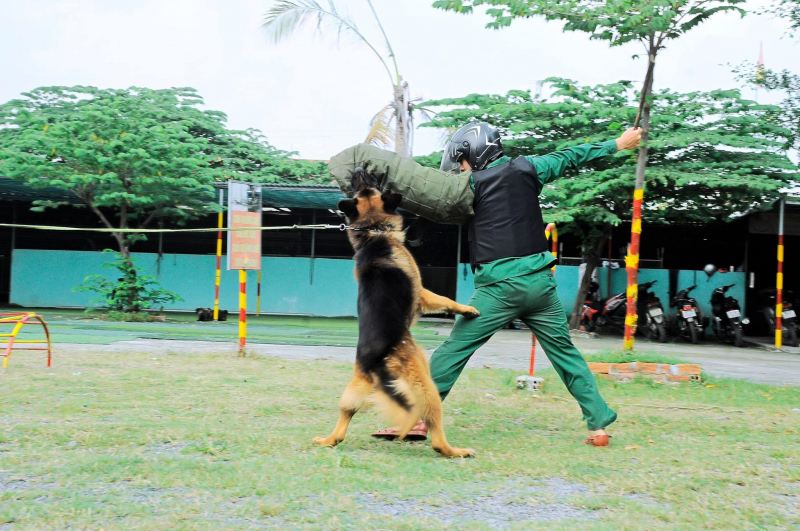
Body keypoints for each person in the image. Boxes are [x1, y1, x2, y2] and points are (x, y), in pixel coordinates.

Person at [373, 121, 642, 446]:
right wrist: (618, 143)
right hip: (541, 287)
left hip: (499, 288)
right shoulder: (530, 168)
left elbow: (432, 198)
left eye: (461, 160)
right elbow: (571, 156)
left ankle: (415, 418)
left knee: (454, 349)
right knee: (566, 354)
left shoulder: (470, 185)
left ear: (474, 153)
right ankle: (598, 425)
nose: (460, 167)